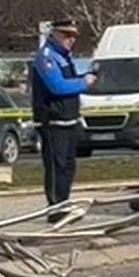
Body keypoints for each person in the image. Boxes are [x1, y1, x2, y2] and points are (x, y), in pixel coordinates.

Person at [31, 19, 96, 221]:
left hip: (68, 121)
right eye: (67, 35)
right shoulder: (46, 57)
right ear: (55, 34)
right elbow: (57, 86)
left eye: (74, 36)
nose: (71, 40)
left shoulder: (66, 58)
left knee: (68, 166)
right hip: (53, 122)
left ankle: (64, 203)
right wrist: (83, 83)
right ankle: (55, 208)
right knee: (55, 166)